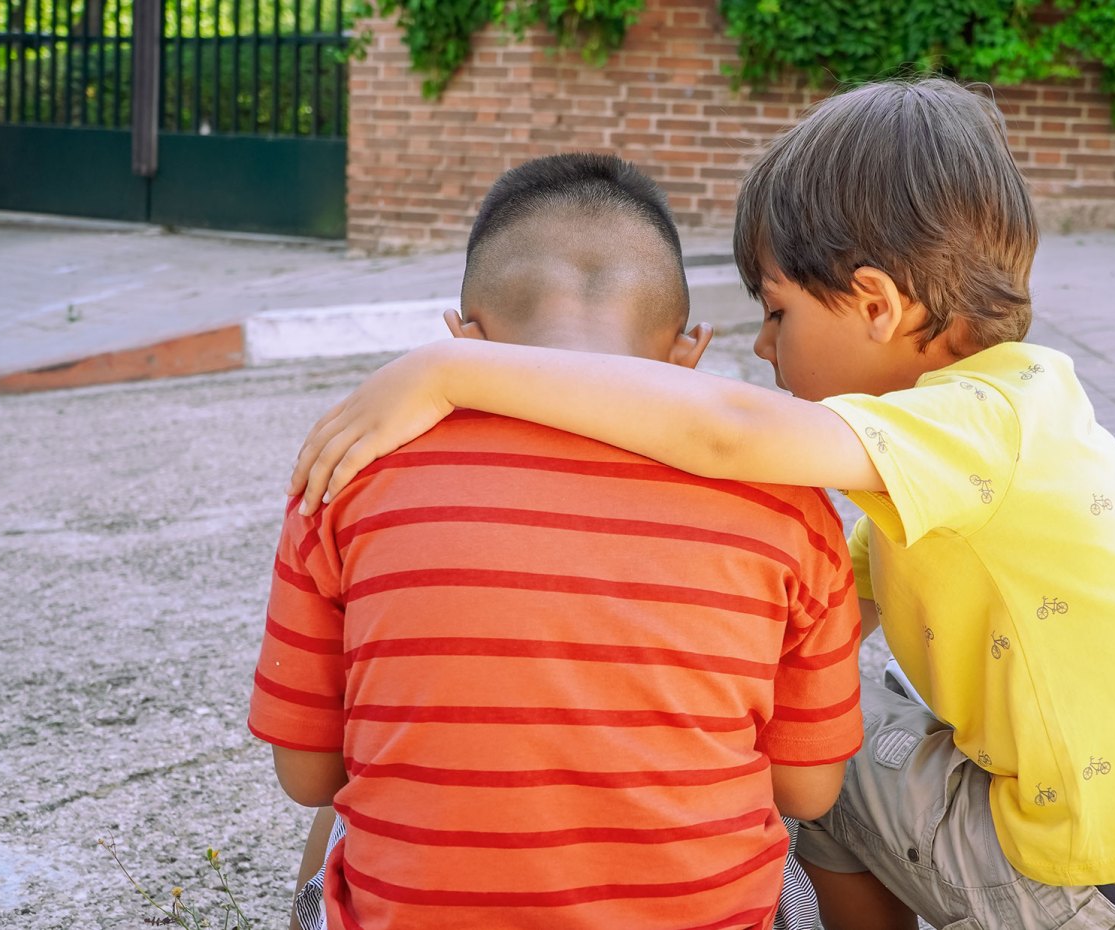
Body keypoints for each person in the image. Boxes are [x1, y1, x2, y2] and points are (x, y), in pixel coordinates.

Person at [286, 79, 1115, 930]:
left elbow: (727, 433)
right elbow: (794, 625)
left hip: (1099, 889)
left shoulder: (976, 423)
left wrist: (454, 374)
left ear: (877, 304)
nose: (764, 347)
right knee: (829, 720)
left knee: (829, 771)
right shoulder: (1002, 424)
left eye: (776, 312)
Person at [250, 153, 865, 930]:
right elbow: (807, 790)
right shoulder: (792, 504)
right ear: (688, 353)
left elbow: (309, 775)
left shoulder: (347, 473)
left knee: (344, 811)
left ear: (464, 342)